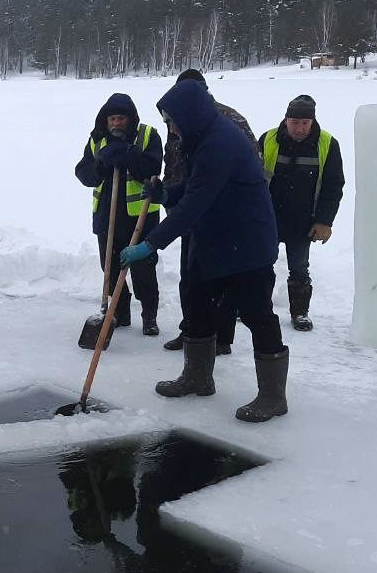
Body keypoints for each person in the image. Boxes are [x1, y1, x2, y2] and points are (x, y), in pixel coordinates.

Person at [120, 80, 289, 423]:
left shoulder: (221, 142)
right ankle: (198, 377)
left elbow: (198, 201)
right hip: (214, 236)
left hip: (247, 242)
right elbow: (195, 186)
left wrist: (150, 244)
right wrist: (169, 194)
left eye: (173, 119)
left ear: (191, 114)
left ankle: (273, 396)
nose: (171, 127)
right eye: (167, 121)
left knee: (257, 313)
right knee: (195, 297)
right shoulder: (200, 138)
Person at [161, 69, 258, 355]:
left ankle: (221, 338)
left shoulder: (228, 122)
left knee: (220, 279)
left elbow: (250, 164)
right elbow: (175, 162)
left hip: (218, 215)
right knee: (189, 276)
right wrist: (168, 194)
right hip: (186, 208)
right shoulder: (177, 118)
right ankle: (192, 329)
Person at [74, 93, 164, 335]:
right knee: (111, 267)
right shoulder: (97, 141)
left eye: (121, 119)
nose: (116, 124)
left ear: (130, 119)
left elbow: (153, 168)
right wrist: (100, 165)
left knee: (143, 268)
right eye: (112, 119)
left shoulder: (147, 135)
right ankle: (119, 311)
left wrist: (129, 155)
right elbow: (83, 173)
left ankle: (149, 316)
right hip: (107, 216)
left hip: (140, 218)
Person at [259, 95, 345, 331]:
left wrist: (324, 221)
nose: (300, 128)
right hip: (269, 217)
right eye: (295, 122)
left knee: (299, 267)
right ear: (286, 120)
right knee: (261, 264)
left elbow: (333, 186)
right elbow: (252, 180)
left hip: (303, 219)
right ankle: (257, 306)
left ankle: (300, 312)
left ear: (313, 122)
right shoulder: (268, 139)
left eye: (305, 123)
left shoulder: (327, 143)